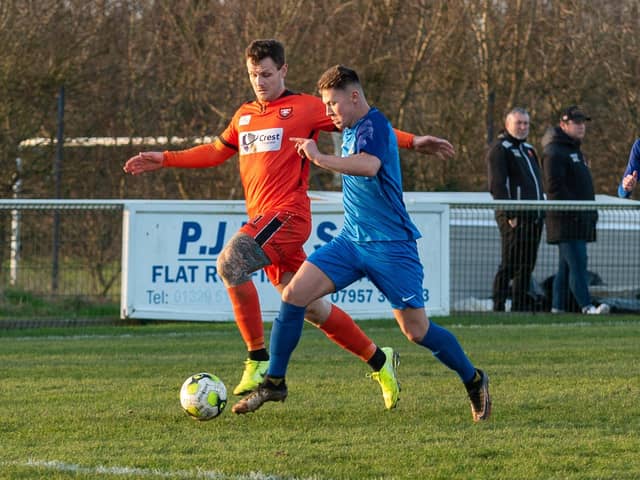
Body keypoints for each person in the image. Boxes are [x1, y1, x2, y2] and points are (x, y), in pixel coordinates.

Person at [123, 39, 455, 400]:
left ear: (283, 70)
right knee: (309, 306)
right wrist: (166, 158)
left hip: (287, 217)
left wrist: (412, 141)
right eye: (253, 75)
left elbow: (366, 129)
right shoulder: (244, 116)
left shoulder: (305, 108)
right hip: (265, 224)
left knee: (231, 262)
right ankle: (380, 360)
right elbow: (216, 152)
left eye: (266, 73)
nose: (260, 81)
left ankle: (257, 359)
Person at [232, 65, 491, 422]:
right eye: (324, 105)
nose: (328, 112)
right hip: (351, 242)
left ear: (354, 97)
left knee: (416, 332)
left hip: (391, 247)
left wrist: (318, 157)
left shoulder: (374, 125)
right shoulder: (351, 128)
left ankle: (473, 379)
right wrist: (414, 141)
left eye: (332, 104)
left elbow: (369, 166)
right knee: (293, 296)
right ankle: (275, 381)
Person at [541, 105, 610, 315]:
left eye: (583, 123)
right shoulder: (554, 152)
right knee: (579, 264)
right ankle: (586, 306)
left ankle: (557, 307)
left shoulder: (575, 151)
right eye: (576, 123)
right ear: (563, 124)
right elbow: (554, 187)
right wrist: (575, 210)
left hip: (580, 219)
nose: (581, 127)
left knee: (566, 268)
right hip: (566, 221)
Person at [487, 107, 544, 312]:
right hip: (514, 216)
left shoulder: (529, 150)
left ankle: (519, 305)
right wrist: (510, 212)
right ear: (508, 124)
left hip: (534, 216)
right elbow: (497, 185)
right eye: (518, 123)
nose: (522, 127)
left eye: (526, 123)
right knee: (510, 262)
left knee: (527, 264)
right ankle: (498, 305)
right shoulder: (500, 149)